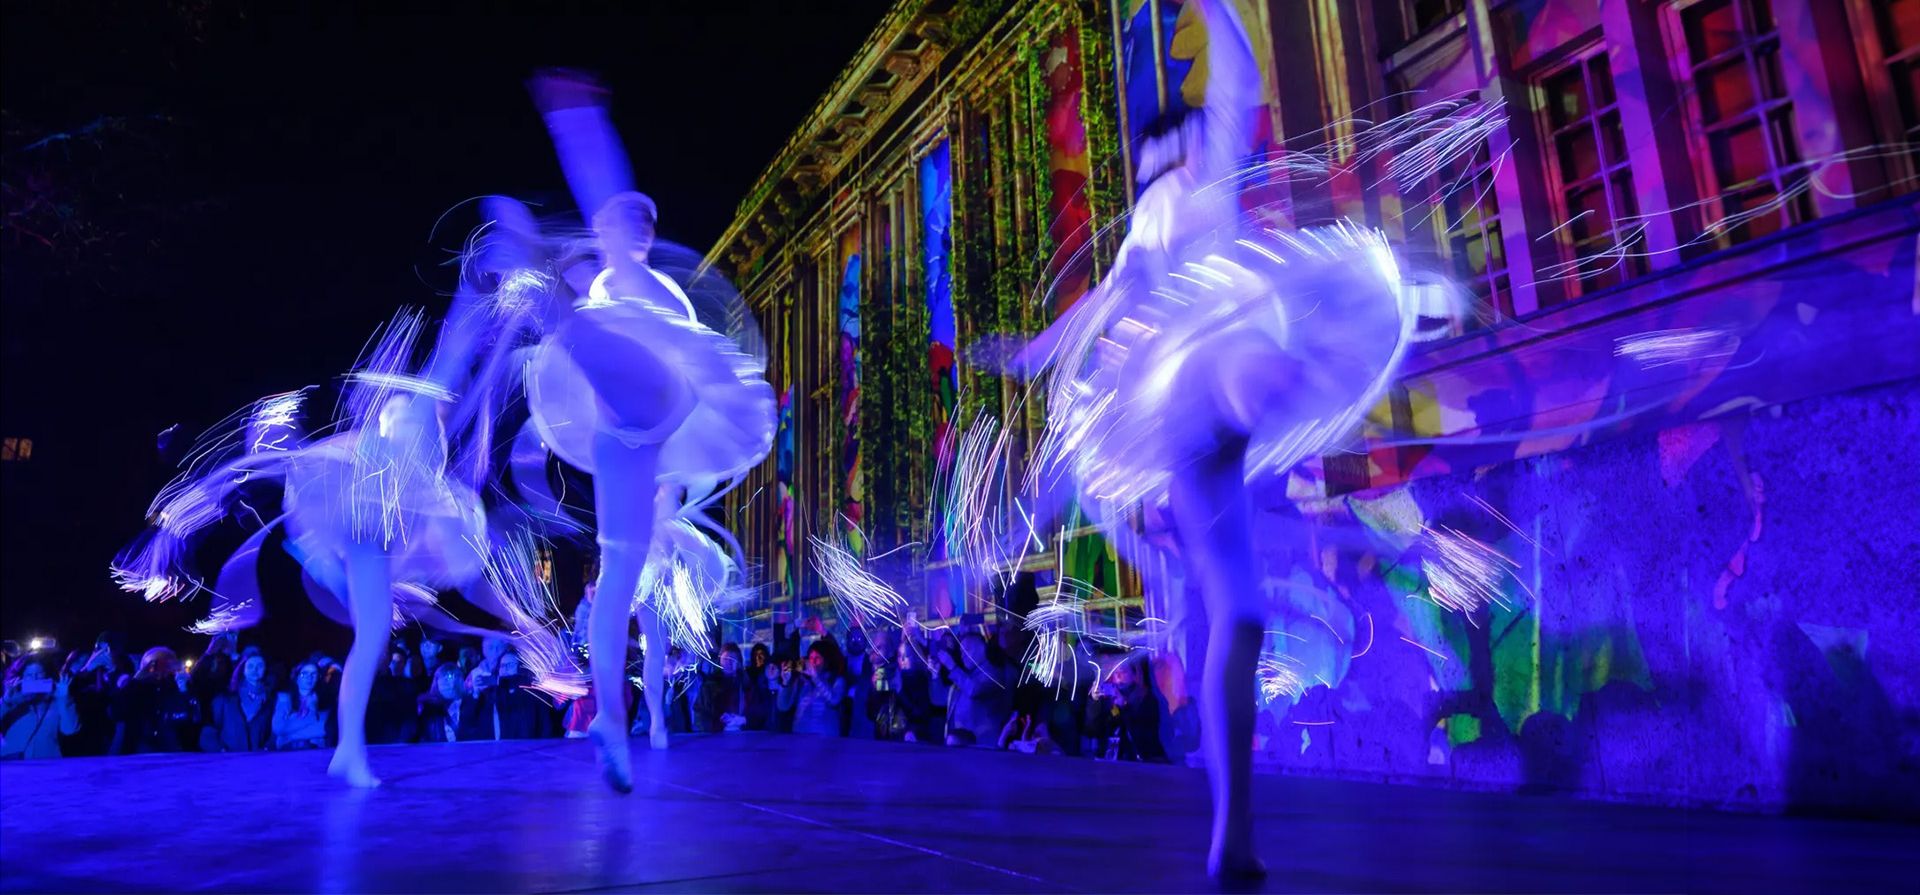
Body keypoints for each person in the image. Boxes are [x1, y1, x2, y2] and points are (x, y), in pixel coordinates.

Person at [503, 70, 774, 792]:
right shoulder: (616, 281)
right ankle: (613, 719)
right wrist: (580, 124)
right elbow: (607, 206)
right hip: (623, 424)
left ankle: (618, 721)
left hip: (647, 427)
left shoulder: (662, 292)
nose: (644, 226)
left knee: (621, 581)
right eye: (629, 219)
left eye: (649, 220)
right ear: (609, 233)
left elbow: (694, 382)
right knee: (617, 577)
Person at [1, 654, 80, 759]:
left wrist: (64, 699)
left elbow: (70, 730)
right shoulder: (12, 701)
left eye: (39, 674)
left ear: (48, 676)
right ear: (20, 678)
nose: (34, 679)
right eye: (29, 675)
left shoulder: (57, 702)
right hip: (13, 764)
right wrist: (5, 702)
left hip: (47, 764)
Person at [203, 653, 274, 752]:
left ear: (265, 669)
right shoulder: (225, 698)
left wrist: (267, 748)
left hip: (257, 758)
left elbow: (273, 731)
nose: (255, 670)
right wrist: (221, 750)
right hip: (229, 757)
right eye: (250, 666)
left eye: (260, 666)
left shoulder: (271, 699)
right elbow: (209, 729)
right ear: (243, 669)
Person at [790, 641, 848, 736]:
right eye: (811, 658)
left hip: (825, 738)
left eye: (817, 658)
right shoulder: (803, 680)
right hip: (800, 736)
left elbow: (834, 700)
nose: (813, 662)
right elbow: (789, 705)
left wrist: (816, 678)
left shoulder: (836, 680)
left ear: (826, 660)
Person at [272, 662, 331, 750]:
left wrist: (289, 736)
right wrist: (311, 719)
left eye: (313, 674)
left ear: (318, 677)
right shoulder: (284, 698)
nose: (309, 677)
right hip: (286, 750)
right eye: (304, 674)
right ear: (297, 677)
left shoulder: (324, 700)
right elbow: (278, 728)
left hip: (314, 749)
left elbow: (323, 729)